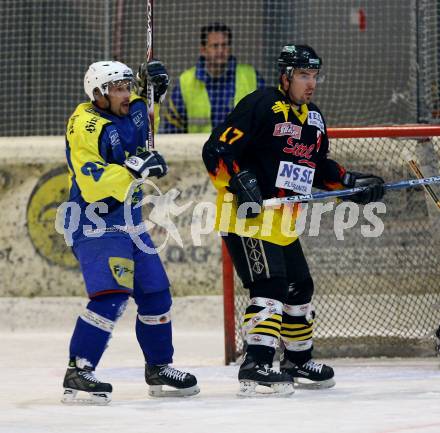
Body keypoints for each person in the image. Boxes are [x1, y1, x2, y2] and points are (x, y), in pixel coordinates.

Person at [202, 44, 385, 396]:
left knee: (300, 287)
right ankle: (255, 365)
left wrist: (350, 182)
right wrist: (239, 179)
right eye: (303, 75)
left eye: (315, 76)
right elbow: (216, 150)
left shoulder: (313, 118)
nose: (311, 83)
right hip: (247, 218)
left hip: (284, 221)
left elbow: (316, 167)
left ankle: (298, 360)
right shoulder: (260, 105)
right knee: (269, 286)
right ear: (285, 77)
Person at [61, 59, 199, 405]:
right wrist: (133, 171)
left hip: (130, 219)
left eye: (127, 87)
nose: (126, 95)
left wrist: (153, 89)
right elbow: (92, 184)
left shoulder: (132, 108)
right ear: (98, 94)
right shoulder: (84, 126)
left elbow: (143, 106)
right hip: (94, 220)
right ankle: (79, 370)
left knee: (155, 295)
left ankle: (158, 368)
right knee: (111, 294)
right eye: (118, 89)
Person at [161, 22, 265, 133]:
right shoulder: (185, 82)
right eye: (215, 46)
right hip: (197, 149)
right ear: (203, 50)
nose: (220, 50)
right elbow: (172, 127)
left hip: (242, 149)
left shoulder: (251, 77)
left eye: (225, 45)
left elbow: (267, 119)